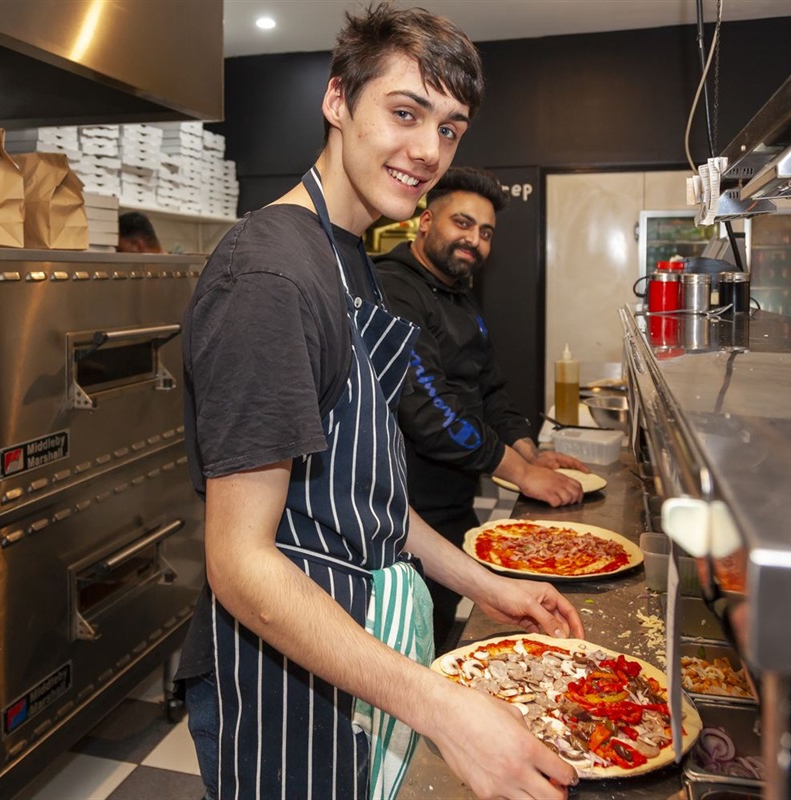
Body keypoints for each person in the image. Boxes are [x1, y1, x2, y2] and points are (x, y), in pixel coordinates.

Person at [177, 4, 583, 800]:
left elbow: (367, 496)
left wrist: (481, 583)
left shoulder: (350, 256)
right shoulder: (269, 276)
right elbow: (239, 563)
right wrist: (442, 709)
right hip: (282, 685)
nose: (428, 151)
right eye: (405, 113)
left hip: (351, 646)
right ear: (337, 101)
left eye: (450, 129)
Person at [374, 167, 589, 647]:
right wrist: (521, 474)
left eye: (485, 232)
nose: (474, 240)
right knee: (407, 655)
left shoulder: (459, 295)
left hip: (453, 508)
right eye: (463, 223)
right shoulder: (393, 289)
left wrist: (530, 453)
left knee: (443, 635)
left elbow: (489, 387)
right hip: (403, 520)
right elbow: (432, 413)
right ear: (425, 221)